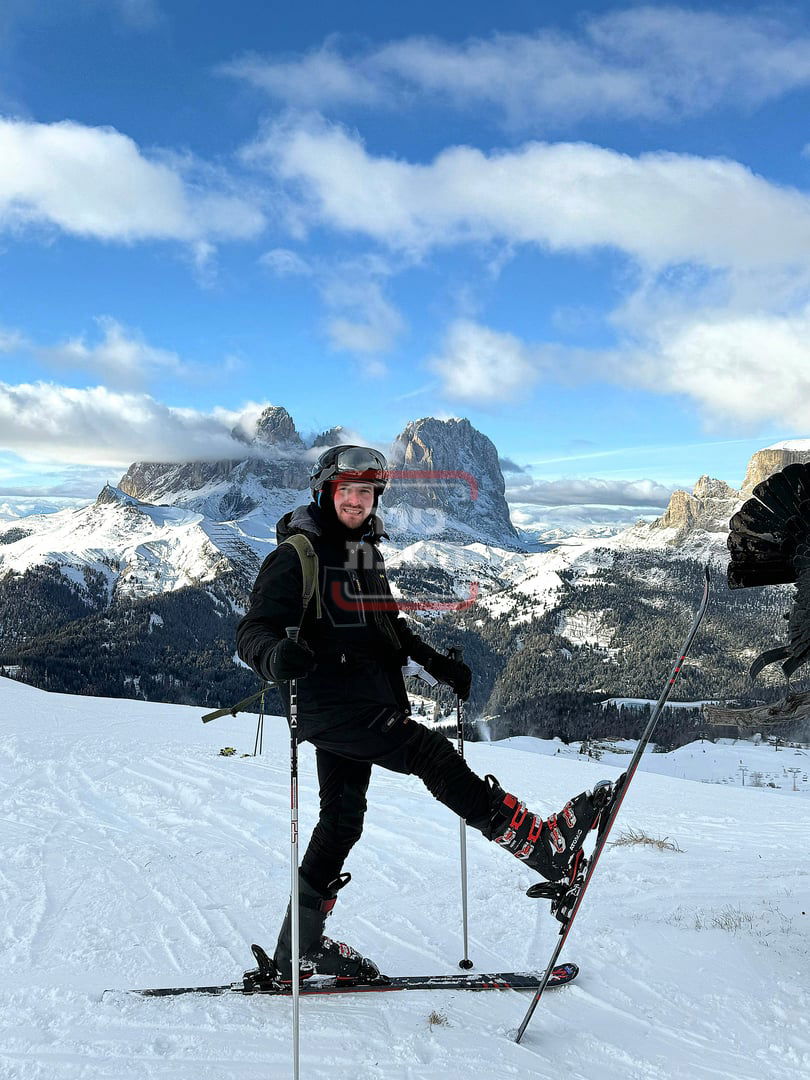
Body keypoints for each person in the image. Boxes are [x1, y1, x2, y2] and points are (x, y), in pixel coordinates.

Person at [236, 445, 606, 982]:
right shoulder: (298, 555)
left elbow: (389, 629)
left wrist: (435, 663)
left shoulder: (363, 553)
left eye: (367, 492)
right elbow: (253, 629)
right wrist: (272, 655)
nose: (358, 501)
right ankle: (541, 846)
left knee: (340, 823)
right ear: (325, 492)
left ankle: (299, 949)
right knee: (430, 753)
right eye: (348, 492)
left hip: (359, 704)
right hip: (333, 707)